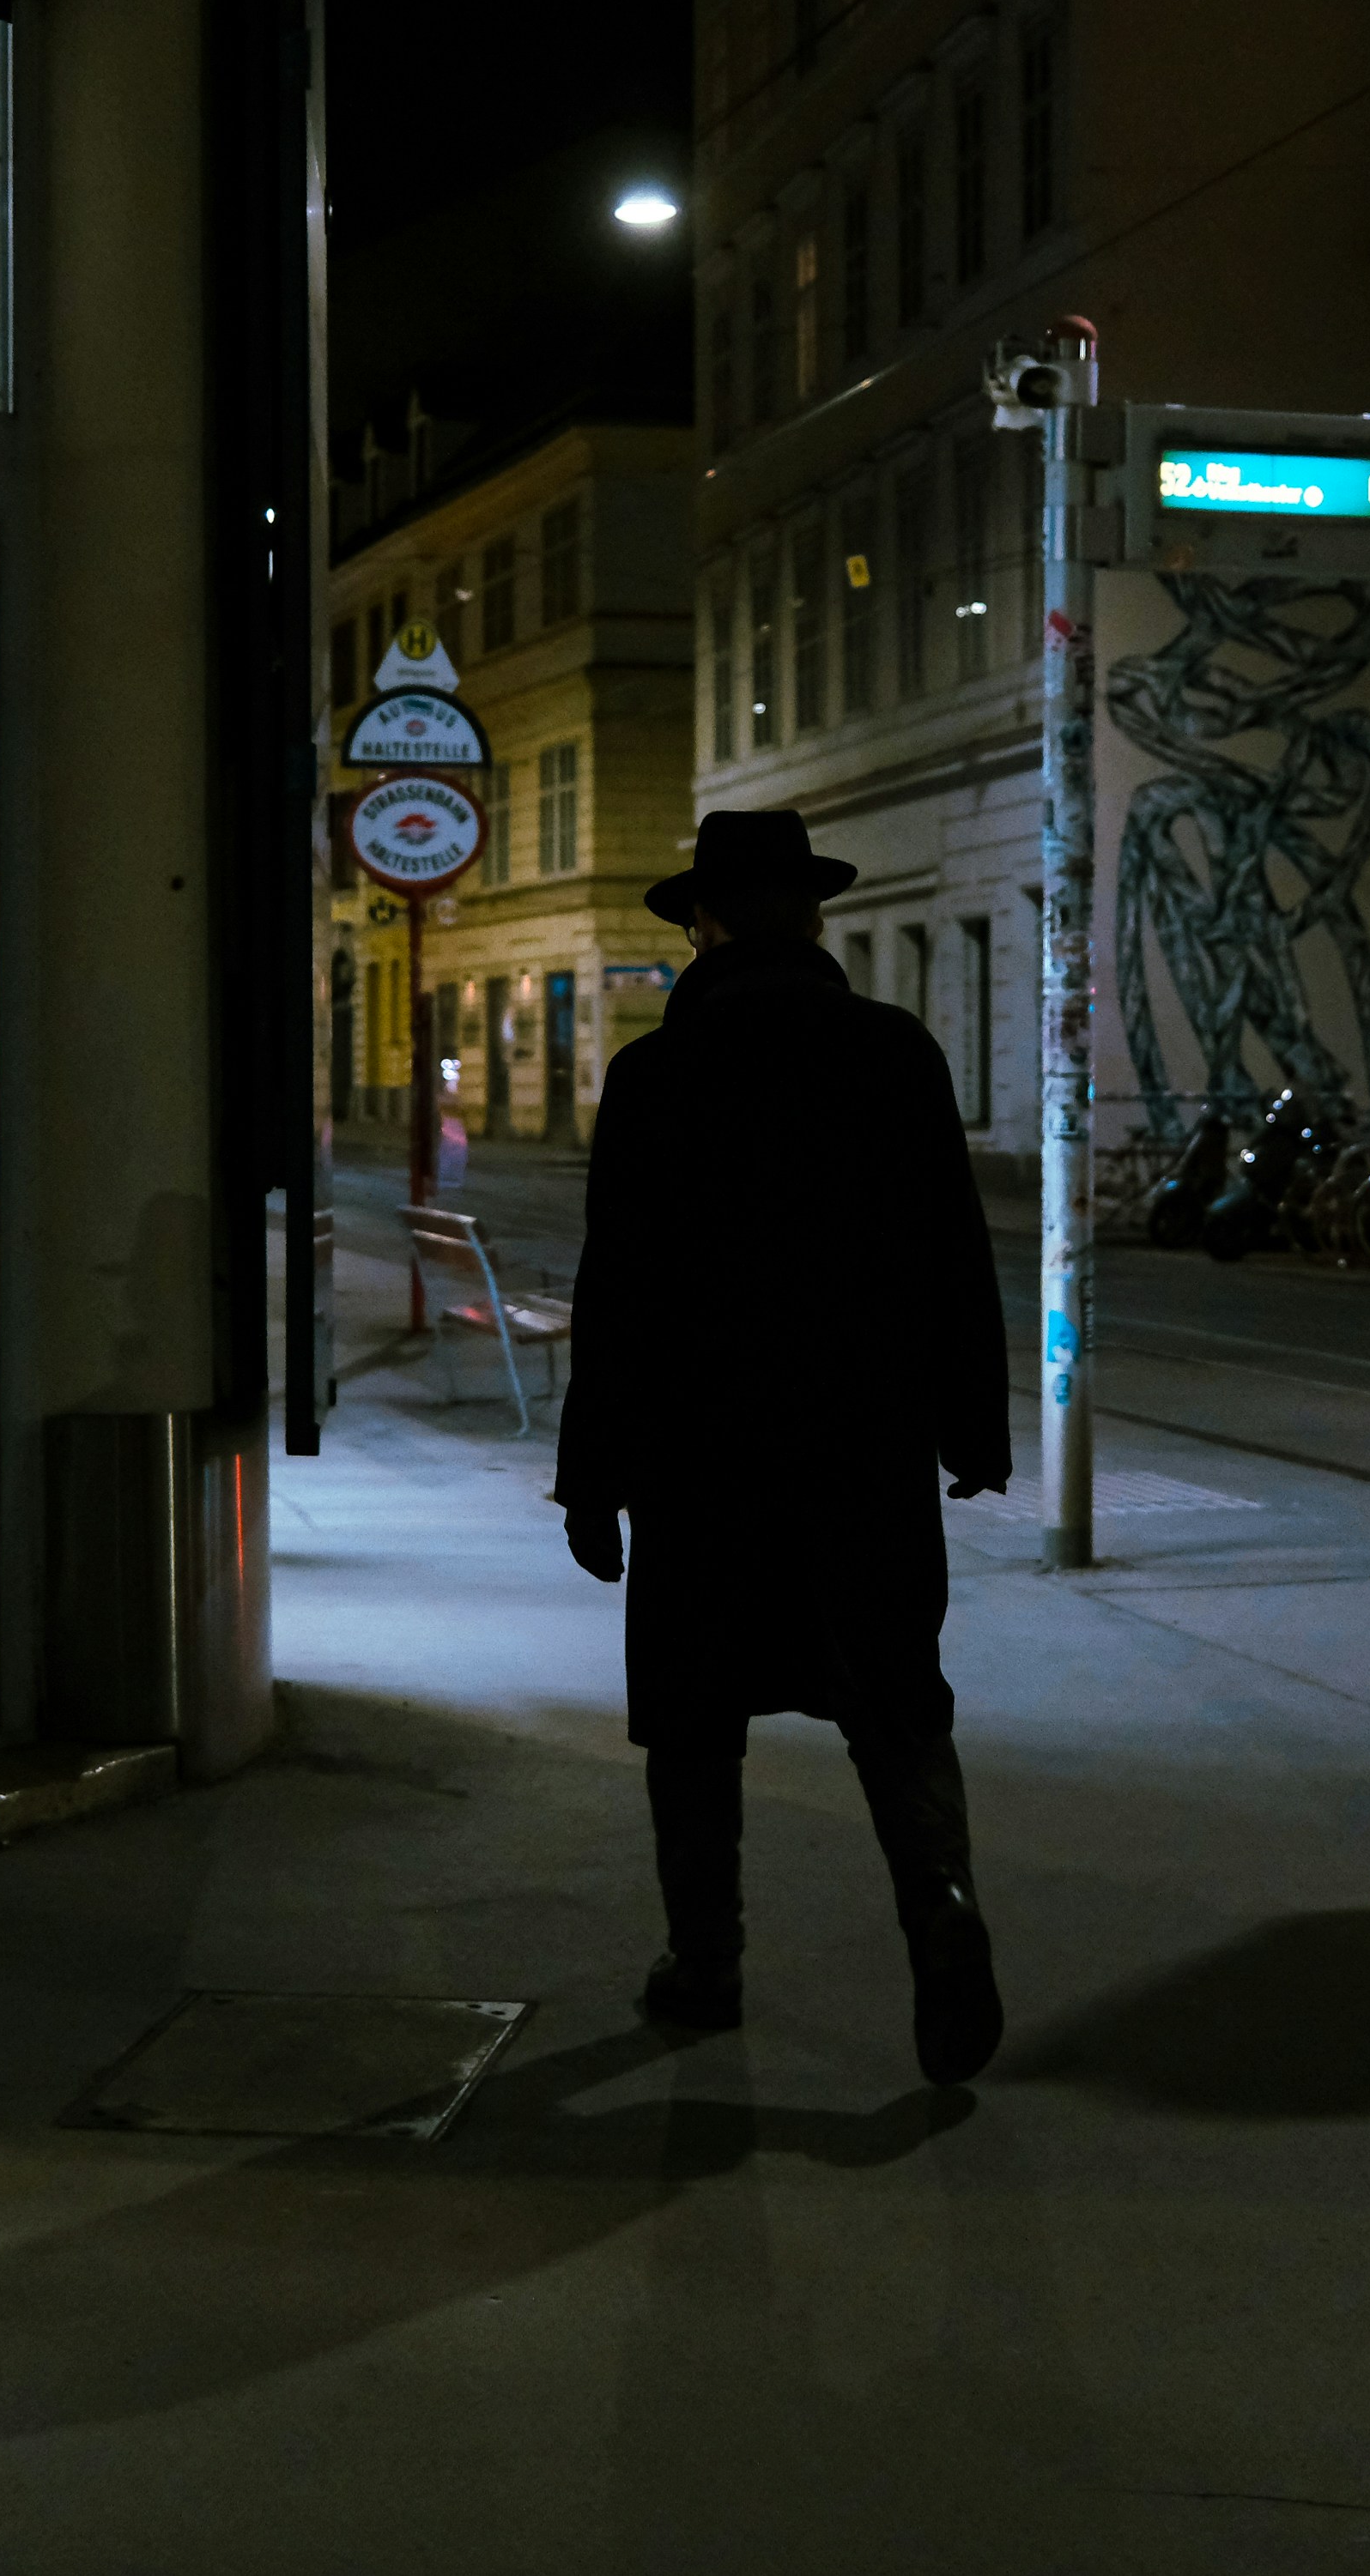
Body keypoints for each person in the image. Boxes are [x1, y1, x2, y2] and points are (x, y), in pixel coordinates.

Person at [549, 807, 1015, 2083]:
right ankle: (942, 1913)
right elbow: (951, 1262)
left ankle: (706, 1965)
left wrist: (590, 1478)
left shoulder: (654, 1077)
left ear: (701, 923)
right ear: (812, 918)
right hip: (861, 1448)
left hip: (700, 1464)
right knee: (895, 1701)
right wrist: (974, 1425)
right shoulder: (893, 1054)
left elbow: (619, 1293)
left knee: (695, 1720)